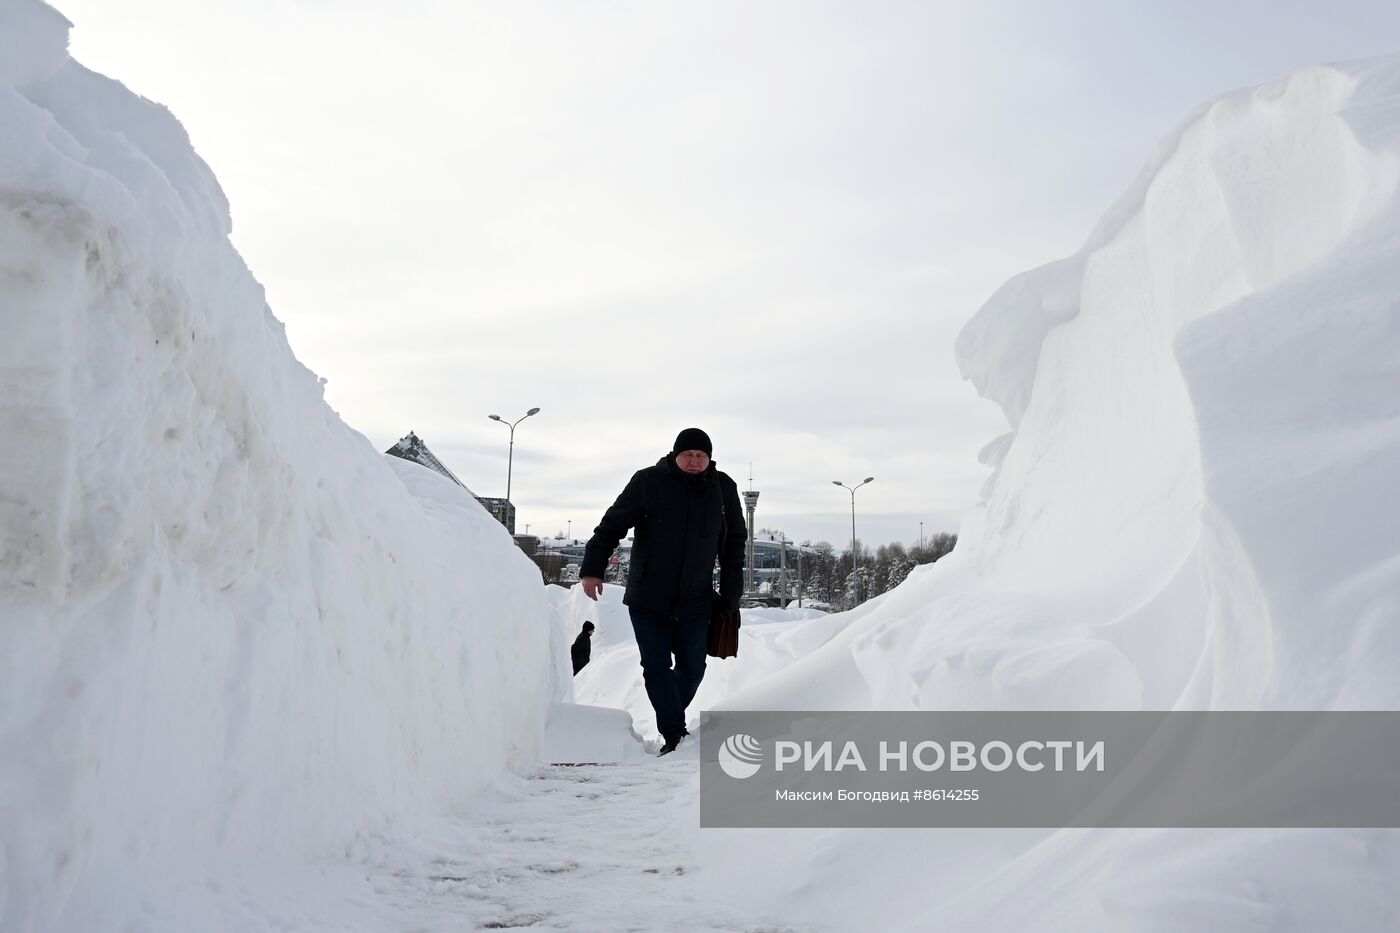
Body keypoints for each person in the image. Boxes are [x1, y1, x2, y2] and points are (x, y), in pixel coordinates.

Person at [579, 428, 745, 756]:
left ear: (710, 458)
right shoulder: (648, 482)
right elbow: (612, 525)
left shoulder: (723, 488)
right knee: (655, 667)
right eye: (688, 455)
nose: (695, 461)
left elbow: (734, 545)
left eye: (701, 455)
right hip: (648, 597)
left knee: (693, 668)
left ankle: (672, 723)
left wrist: (731, 593)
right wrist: (592, 568)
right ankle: (675, 735)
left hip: (697, 600)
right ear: (675, 455)